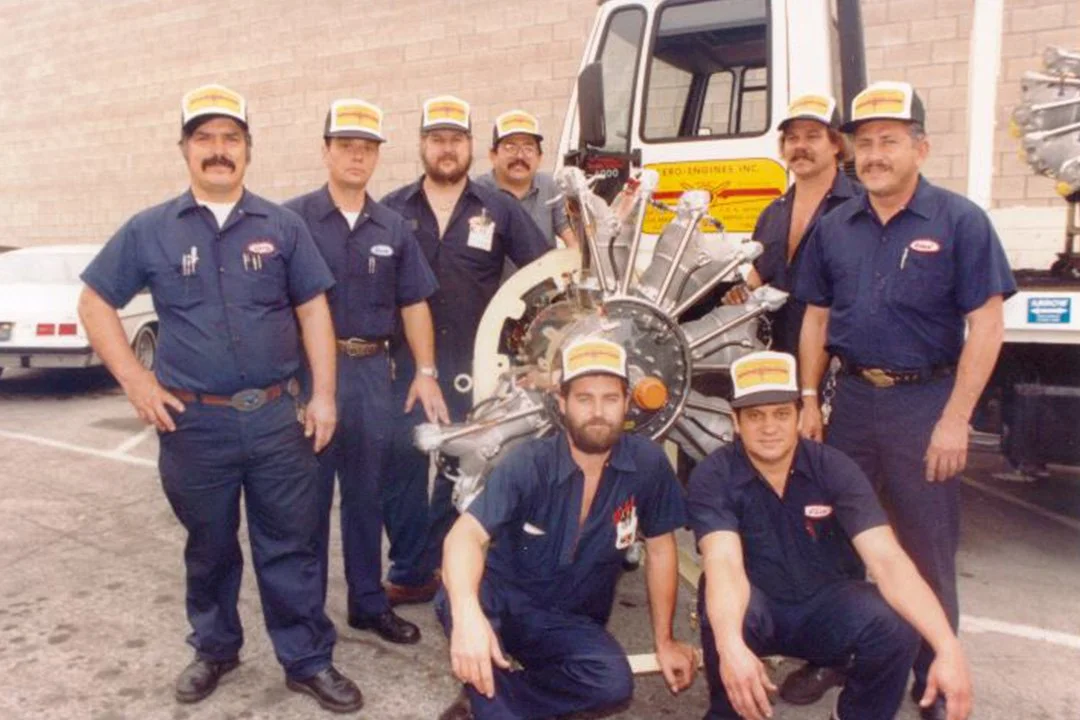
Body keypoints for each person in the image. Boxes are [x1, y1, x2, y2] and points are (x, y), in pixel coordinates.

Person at [77, 85, 363, 712]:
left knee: (291, 543)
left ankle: (307, 659)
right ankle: (215, 648)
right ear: (184, 148)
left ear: (249, 151)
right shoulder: (149, 229)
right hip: (192, 425)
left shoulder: (281, 226)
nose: (218, 150)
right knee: (207, 544)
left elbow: (314, 309)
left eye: (231, 139)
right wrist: (135, 380)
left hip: (275, 420)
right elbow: (95, 303)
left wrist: (325, 397)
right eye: (204, 138)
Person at [794, 81, 1015, 720]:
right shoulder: (836, 226)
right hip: (854, 402)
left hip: (926, 405)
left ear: (920, 147)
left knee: (924, 549)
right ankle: (842, 653)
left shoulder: (960, 221)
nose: (875, 155)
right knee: (839, 538)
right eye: (864, 144)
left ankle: (935, 681)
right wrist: (810, 399)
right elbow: (815, 318)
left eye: (889, 141)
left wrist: (956, 420)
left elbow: (988, 324)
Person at [687, 351, 973, 720]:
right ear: (736, 422)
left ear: (800, 415)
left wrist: (947, 646)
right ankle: (734, 710)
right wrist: (730, 648)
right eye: (755, 416)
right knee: (724, 611)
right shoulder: (713, 475)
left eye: (781, 413)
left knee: (896, 621)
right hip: (755, 607)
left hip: (824, 607)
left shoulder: (834, 468)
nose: (769, 427)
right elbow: (723, 562)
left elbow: (887, 560)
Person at [436, 337, 697, 720]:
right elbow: (465, 536)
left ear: (627, 403)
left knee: (611, 684)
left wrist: (665, 640)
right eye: (584, 398)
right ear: (562, 403)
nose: (598, 412)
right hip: (503, 605)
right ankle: (490, 687)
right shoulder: (529, 461)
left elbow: (660, 548)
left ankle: (485, 699)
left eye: (610, 398)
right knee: (455, 599)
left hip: (569, 620)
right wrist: (467, 616)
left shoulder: (648, 464)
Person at [284, 98, 446, 646]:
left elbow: (415, 304)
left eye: (368, 148)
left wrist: (425, 370)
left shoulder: (393, 226)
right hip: (310, 377)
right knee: (307, 502)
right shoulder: (292, 220)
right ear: (325, 151)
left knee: (366, 497)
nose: (357, 156)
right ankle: (307, 619)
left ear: (377, 157)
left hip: (373, 374)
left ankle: (367, 603)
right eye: (346, 146)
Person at [380, 95, 551, 606]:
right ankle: (411, 571)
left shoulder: (498, 208)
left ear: (471, 147)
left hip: (475, 367)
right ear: (422, 146)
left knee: (464, 470)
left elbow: (544, 278)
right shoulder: (391, 210)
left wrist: (537, 354)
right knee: (404, 467)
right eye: (437, 139)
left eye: (456, 139)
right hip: (407, 366)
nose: (447, 149)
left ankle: (452, 566)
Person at [723, 93, 860, 357]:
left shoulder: (860, 208)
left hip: (838, 360)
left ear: (835, 144)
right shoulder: (771, 214)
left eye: (812, 136)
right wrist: (741, 294)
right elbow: (759, 279)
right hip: (777, 356)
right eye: (792, 138)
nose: (800, 146)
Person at [473, 109, 578, 250]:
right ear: (493, 155)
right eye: (510, 147)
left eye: (528, 148)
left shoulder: (548, 187)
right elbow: (475, 250)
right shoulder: (480, 191)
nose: (520, 156)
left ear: (540, 157)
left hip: (543, 271)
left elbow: (569, 236)